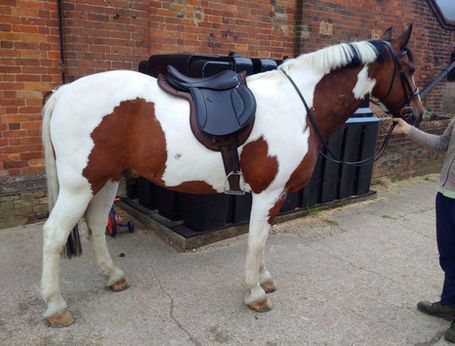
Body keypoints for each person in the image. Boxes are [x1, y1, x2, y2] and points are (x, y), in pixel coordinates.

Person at [392, 117, 455, 343]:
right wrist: (409, 130)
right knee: (448, 256)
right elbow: (442, 144)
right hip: (446, 195)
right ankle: (448, 304)